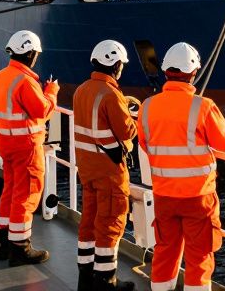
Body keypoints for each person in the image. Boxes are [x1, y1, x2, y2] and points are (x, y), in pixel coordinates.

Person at [141, 42, 225, 291]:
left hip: (164, 195)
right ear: (194, 73)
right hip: (198, 198)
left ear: (165, 71)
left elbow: (145, 143)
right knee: (199, 256)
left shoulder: (147, 106)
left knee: (165, 250)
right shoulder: (203, 106)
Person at [73, 40, 140, 291]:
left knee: (89, 220)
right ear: (115, 65)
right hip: (108, 171)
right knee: (110, 222)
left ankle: (85, 274)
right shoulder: (111, 95)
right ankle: (105, 279)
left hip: (87, 169)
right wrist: (135, 115)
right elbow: (127, 131)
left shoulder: (81, 90)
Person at [0, 29, 59, 265]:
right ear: (30, 54)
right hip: (26, 148)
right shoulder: (25, 81)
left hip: (6, 144)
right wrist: (51, 92)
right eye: (36, 54)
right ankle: (20, 248)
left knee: (9, 192)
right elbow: (42, 110)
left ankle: (5, 245)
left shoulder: (1, 76)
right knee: (26, 195)